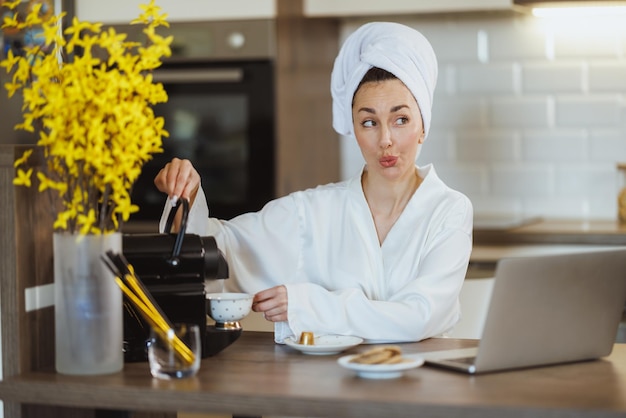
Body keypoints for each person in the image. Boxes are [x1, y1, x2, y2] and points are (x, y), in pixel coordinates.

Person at [154, 22, 473, 344]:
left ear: (423, 125)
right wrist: (188, 193)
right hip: (335, 384)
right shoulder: (312, 211)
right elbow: (222, 251)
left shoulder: (449, 210)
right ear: (355, 130)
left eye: (401, 119)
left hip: (425, 381)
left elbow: (421, 317)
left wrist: (310, 304)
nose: (386, 140)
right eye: (369, 122)